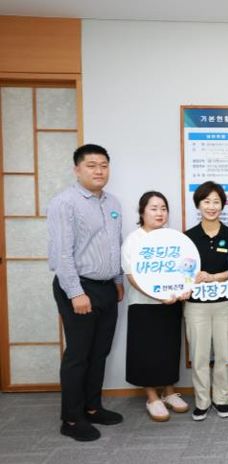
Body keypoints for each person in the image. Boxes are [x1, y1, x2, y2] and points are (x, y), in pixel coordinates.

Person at [47, 144, 125, 441]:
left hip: (107, 288)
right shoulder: (64, 203)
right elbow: (61, 253)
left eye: (103, 165)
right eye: (91, 165)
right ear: (77, 169)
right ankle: (71, 418)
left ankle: (93, 408)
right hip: (78, 287)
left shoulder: (112, 202)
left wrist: (118, 280)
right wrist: (75, 292)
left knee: (99, 352)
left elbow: (115, 244)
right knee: (78, 355)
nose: (99, 171)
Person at [122, 191, 189, 422]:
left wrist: (185, 287)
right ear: (142, 212)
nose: (159, 213)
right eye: (153, 208)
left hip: (171, 303)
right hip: (144, 305)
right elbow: (131, 276)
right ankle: (151, 397)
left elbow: (185, 268)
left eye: (163, 208)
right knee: (146, 349)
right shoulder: (134, 240)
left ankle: (169, 392)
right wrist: (157, 295)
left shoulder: (172, 238)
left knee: (169, 347)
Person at [184, 181, 228, 421]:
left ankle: (222, 399)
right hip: (196, 305)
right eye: (206, 201)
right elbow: (181, 272)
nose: (211, 206)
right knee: (199, 356)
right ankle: (202, 401)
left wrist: (214, 277)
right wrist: (193, 278)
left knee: (224, 355)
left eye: (216, 202)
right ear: (198, 204)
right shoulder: (187, 237)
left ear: (222, 205)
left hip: (225, 302)